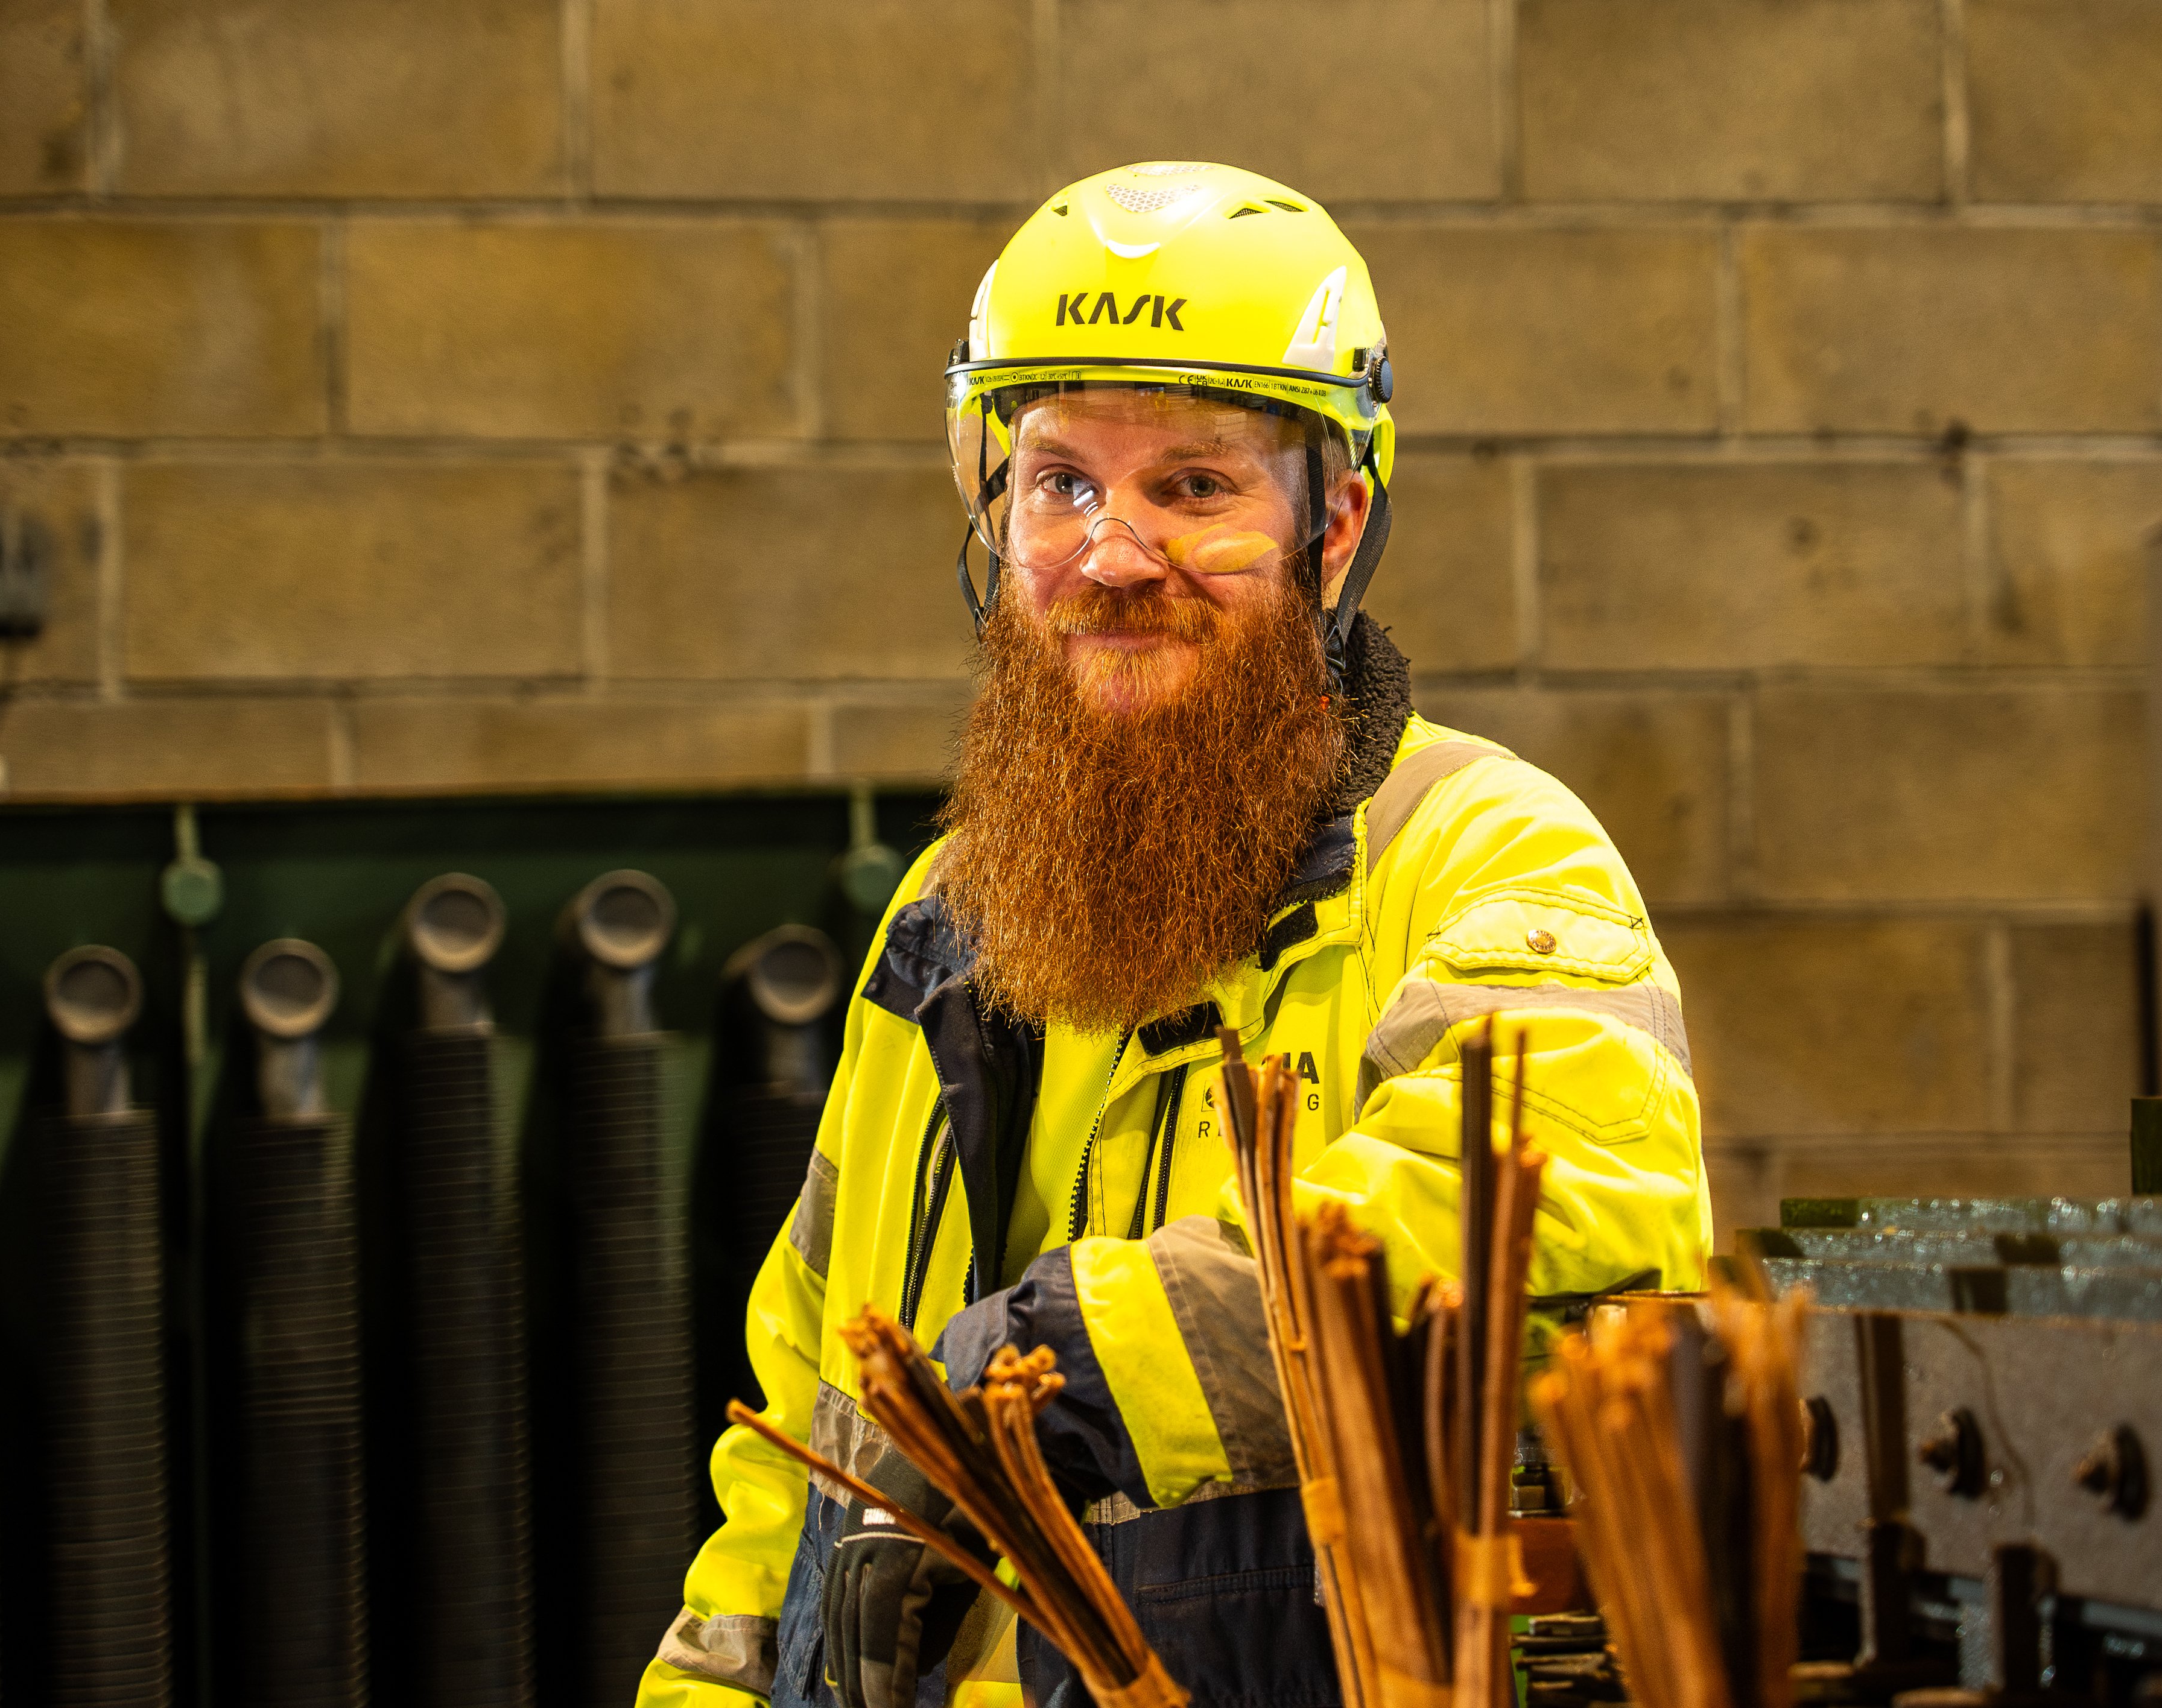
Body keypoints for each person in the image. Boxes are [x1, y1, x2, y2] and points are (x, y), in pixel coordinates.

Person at [638, 160, 1708, 1708]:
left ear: (1331, 526)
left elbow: (1557, 1231)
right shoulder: (948, 920)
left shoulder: (1482, 855)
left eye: (1192, 488)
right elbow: (797, 1444)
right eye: (1059, 483)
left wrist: (1065, 1365)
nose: (1112, 552)